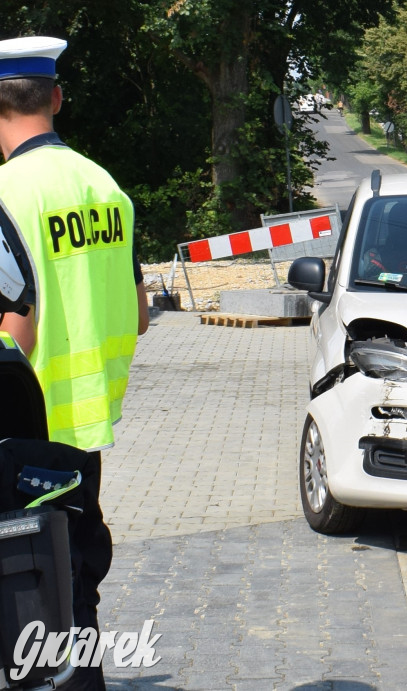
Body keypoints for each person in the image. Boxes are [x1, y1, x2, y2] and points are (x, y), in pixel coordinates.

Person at [0, 35, 148, 690]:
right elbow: (139, 311)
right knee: (73, 594)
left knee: (23, 609)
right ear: (56, 98)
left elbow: (16, 331)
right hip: (84, 436)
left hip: (17, 439)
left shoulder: (5, 194)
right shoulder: (105, 186)